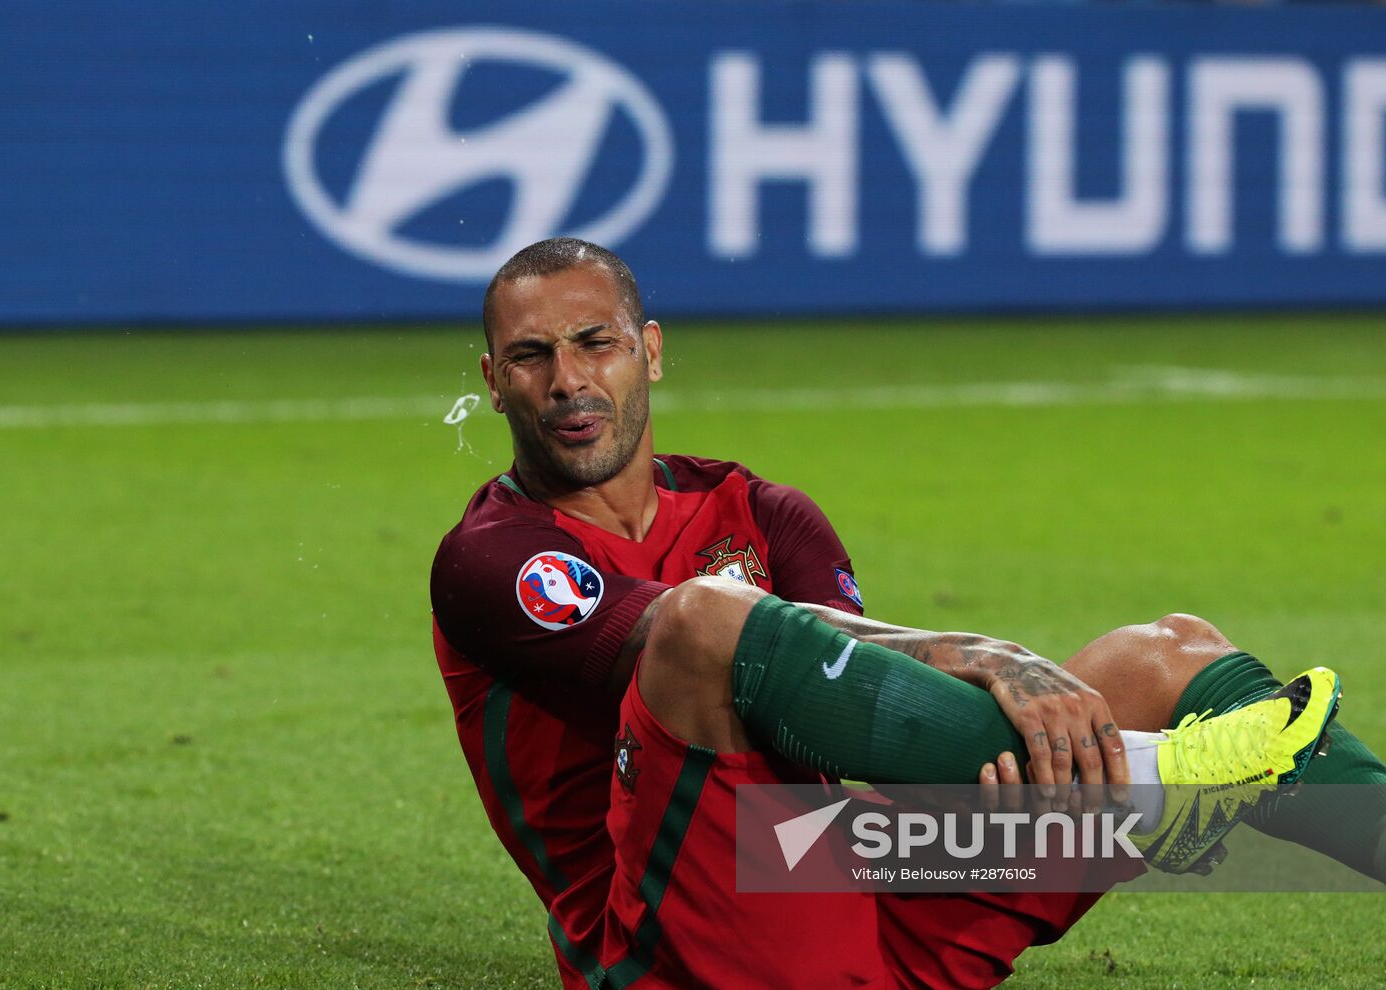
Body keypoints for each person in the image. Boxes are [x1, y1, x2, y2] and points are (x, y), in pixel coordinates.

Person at [430, 238, 1385, 989]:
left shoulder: (763, 513)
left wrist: (1017, 767)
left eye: (595, 341)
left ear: (650, 349)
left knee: (1166, 655)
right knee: (704, 621)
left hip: (854, 889)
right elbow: (690, 633)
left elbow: (855, 732)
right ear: (493, 378)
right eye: (530, 356)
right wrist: (969, 649)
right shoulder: (493, 557)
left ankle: (1223, 787)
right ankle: (1169, 782)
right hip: (684, 949)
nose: (567, 380)